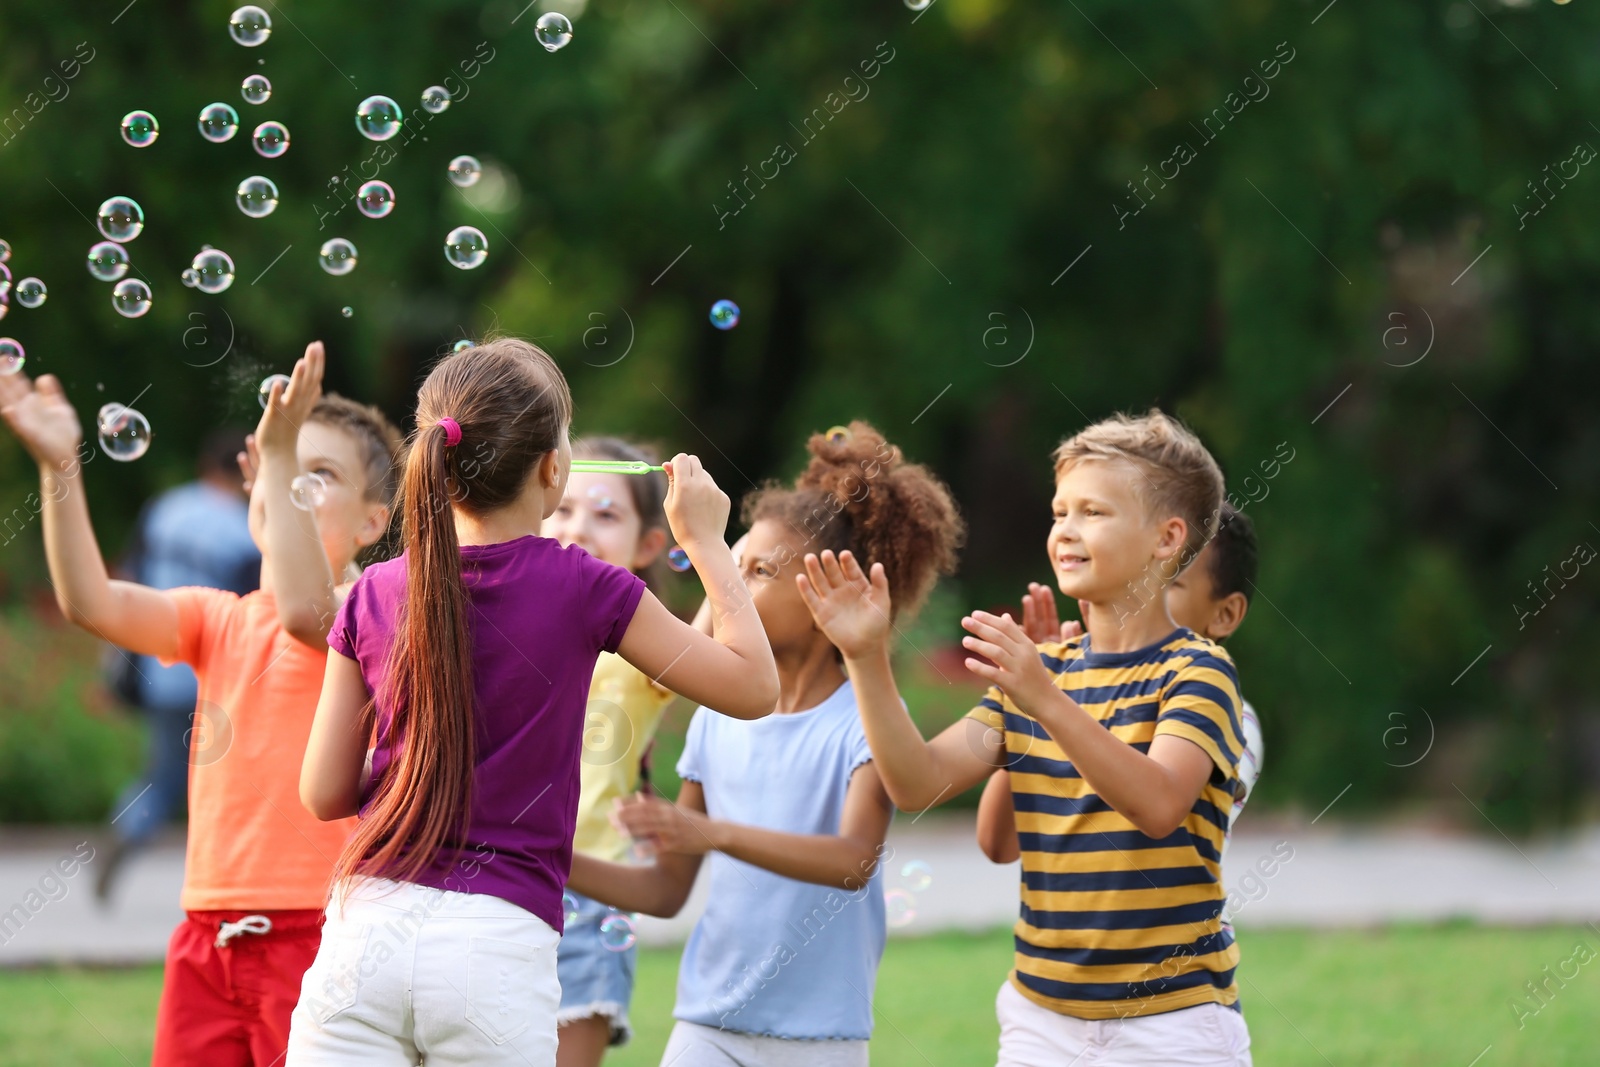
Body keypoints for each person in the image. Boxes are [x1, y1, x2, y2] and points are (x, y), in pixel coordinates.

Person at [290, 338, 779, 1067]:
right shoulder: (586, 585)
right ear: (553, 469)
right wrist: (707, 540)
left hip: (364, 937)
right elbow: (755, 687)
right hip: (496, 948)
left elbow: (323, 792)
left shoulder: (372, 590)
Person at [804, 409, 1251, 1065]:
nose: (1066, 530)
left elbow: (1158, 804)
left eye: (1093, 511)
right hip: (1041, 1020)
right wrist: (866, 657)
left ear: (1166, 538)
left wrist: (1043, 697)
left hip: (1173, 1019)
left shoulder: (1198, 671)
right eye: (1059, 511)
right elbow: (919, 781)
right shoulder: (1044, 672)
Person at [0, 343, 403, 1067]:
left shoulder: (364, 609)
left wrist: (279, 458)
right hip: (206, 938)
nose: (296, 484)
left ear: (375, 522)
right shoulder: (214, 617)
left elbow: (308, 609)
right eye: (285, 468)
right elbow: (88, 601)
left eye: (322, 473)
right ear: (254, 491)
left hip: (322, 937)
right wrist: (58, 467)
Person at [567, 420, 965, 1067]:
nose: (731, 588)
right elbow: (667, 891)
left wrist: (714, 833)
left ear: (823, 595)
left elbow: (853, 859)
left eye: (755, 571)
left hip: (821, 1040)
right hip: (706, 1024)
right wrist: (542, 855)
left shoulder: (864, 721)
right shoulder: (715, 719)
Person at [975, 503, 1264, 931]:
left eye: (1163, 582)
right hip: (1058, 980)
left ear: (1224, 614)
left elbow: (1150, 815)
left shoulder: (1231, 716)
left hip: (1169, 978)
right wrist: (1035, 710)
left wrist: (1058, 708)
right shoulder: (1065, 694)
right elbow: (1000, 843)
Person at [541, 436, 673, 1064]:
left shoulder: (645, 648)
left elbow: (729, 650)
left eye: (606, 514)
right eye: (562, 509)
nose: (579, 527)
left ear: (649, 546)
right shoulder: (506, 620)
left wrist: (704, 536)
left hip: (590, 899)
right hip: (495, 879)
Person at [95, 430, 262, 903]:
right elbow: (254, 607)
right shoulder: (246, 526)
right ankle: (218, 873)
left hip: (158, 663)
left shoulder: (166, 508)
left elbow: (129, 579)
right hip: (214, 672)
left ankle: (133, 822)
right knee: (222, 778)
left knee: (164, 770)